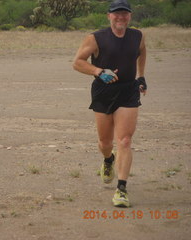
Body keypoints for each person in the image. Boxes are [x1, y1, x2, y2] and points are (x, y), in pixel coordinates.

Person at [73, 0, 147, 207]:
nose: (121, 17)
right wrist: (98, 71)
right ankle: (108, 159)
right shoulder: (96, 38)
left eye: (125, 13)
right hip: (103, 92)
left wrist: (141, 77)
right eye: (117, 13)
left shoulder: (137, 36)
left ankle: (121, 189)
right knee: (105, 143)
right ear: (109, 16)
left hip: (128, 92)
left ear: (130, 16)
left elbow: (142, 52)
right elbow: (77, 62)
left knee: (124, 140)